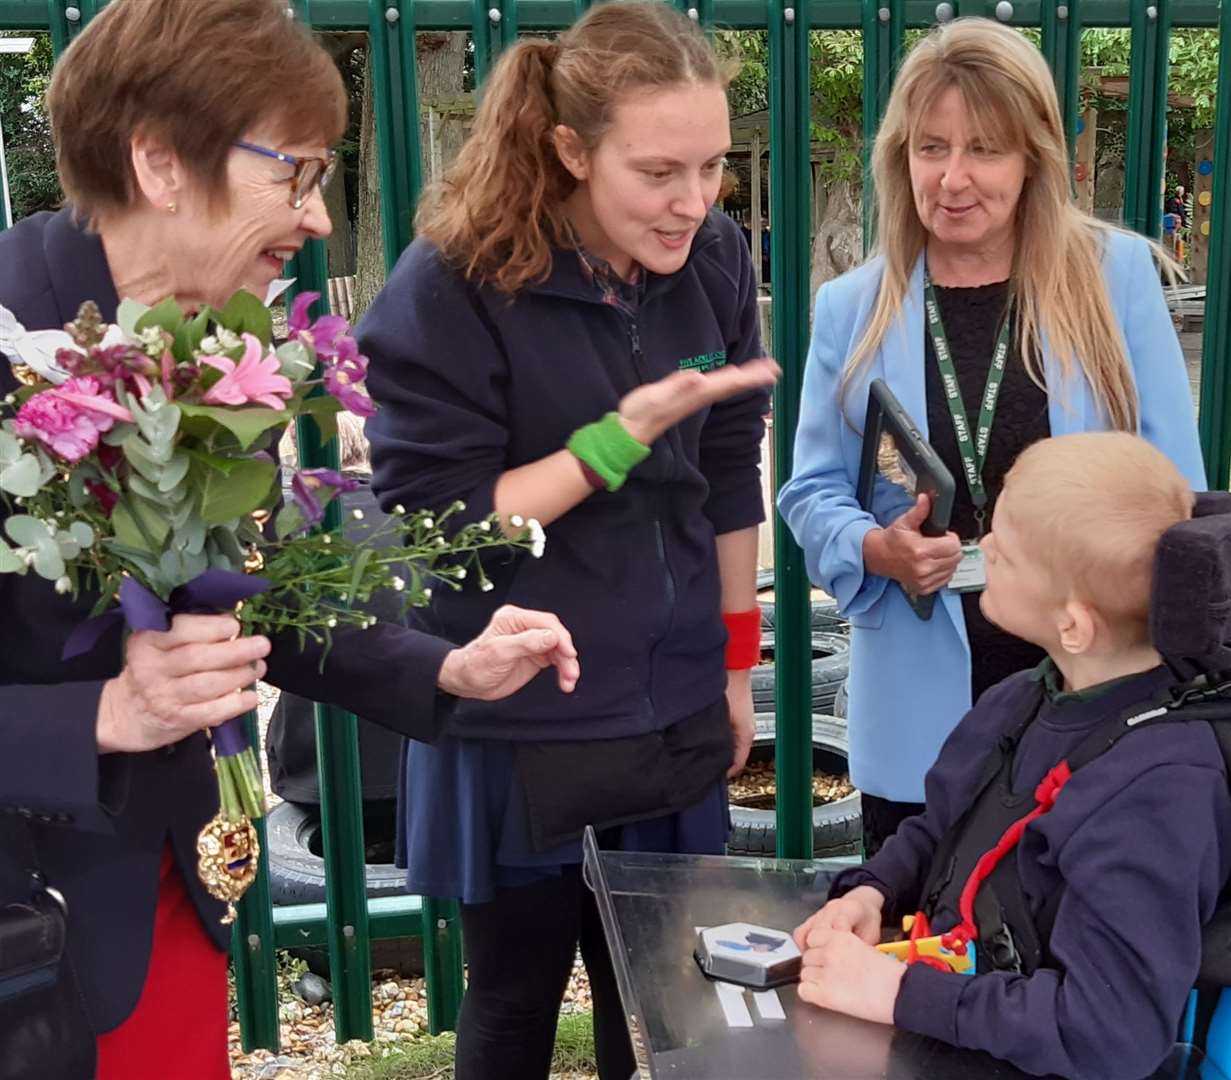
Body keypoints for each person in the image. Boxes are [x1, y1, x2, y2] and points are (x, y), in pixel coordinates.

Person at [0, 3, 584, 1078]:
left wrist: (446, 666)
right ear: (159, 160)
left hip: (163, 912)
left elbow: (257, 594)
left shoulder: (217, 345)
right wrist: (102, 715)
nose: (317, 220)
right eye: (299, 172)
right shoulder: (8, 342)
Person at [358, 4, 779, 1077]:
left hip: (675, 697)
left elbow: (729, 478)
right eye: (657, 172)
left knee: (674, 1018)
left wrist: (735, 665)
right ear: (570, 150)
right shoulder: (451, 285)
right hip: (521, 719)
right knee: (513, 1004)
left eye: (713, 167)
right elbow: (440, 530)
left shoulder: (716, 257)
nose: (693, 202)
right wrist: (617, 437)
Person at [777, 17, 1205, 858]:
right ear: (900, 155)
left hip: (1095, 701)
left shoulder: (1114, 280)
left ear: (1035, 156)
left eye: (985, 150)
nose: (953, 178)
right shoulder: (852, 308)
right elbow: (809, 489)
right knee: (920, 963)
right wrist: (872, 547)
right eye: (930, 147)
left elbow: (1174, 489)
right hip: (916, 714)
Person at [791, 432, 1231, 1080]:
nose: (985, 546)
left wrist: (900, 996)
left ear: (1074, 623)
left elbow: (1112, 1032)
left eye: (1009, 550)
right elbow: (943, 827)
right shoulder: (1026, 695)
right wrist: (872, 891)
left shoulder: (1159, 789)